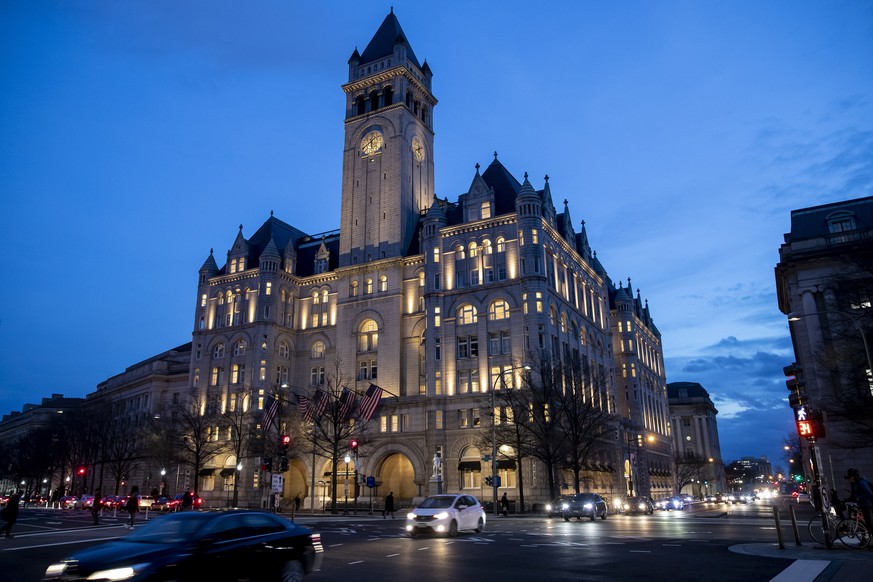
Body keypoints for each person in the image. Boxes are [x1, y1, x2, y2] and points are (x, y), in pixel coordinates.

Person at [844, 467, 873, 538]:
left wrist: (859, 498)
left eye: (849, 478)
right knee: (861, 523)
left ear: (853, 477)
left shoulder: (861, 482)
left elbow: (869, 493)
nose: (848, 480)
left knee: (869, 523)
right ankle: (864, 540)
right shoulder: (854, 484)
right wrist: (847, 500)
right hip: (861, 505)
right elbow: (853, 495)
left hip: (867, 505)